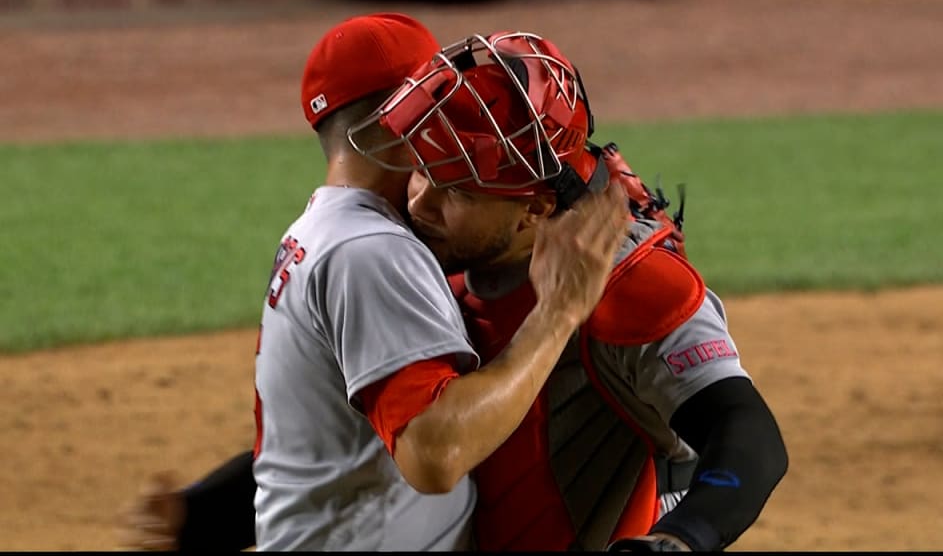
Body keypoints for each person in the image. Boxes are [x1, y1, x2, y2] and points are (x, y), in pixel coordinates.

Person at [120, 29, 787, 553]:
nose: (420, 200)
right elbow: (378, 440)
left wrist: (681, 539)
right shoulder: (424, 247)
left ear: (530, 211)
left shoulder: (626, 279)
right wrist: (209, 516)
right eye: (421, 165)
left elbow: (747, 435)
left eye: (458, 189)